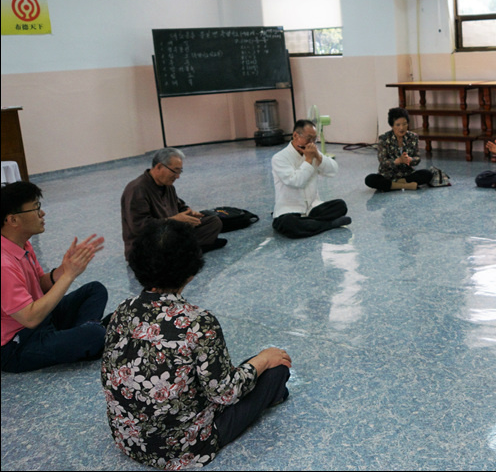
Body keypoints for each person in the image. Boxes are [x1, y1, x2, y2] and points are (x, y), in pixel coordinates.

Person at [102, 220, 291, 469]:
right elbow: (225, 393)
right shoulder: (198, 321)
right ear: (191, 272)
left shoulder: (122, 309)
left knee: (244, 368)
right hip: (186, 449)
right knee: (275, 369)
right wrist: (264, 359)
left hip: (128, 440)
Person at [1, 181, 107, 372]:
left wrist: (62, 270)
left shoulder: (23, 243)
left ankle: (86, 336)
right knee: (94, 334)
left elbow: (39, 285)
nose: (42, 214)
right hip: (18, 344)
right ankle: (90, 336)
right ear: (13, 220)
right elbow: (30, 318)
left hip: (43, 320)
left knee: (95, 290)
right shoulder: (3, 264)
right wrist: (69, 276)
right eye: (36, 208)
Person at [121, 147, 225, 260]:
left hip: (171, 233)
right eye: (175, 171)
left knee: (213, 222)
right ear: (159, 167)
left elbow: (180, 206)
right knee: (167, 243)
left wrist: (189, 213)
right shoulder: (137, 189)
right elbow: (140, 228)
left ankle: (188, 249)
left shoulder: (168, 186)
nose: (178, 176)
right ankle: (193, 248)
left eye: (180, 171)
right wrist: (174, 220)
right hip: (149, 244)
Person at [272, 119, 351, 238]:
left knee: (340, 205)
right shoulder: (279, 158)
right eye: (308, 138)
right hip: (290, 210)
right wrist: (308, 160)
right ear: (295, 135)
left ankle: (310, 224)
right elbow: (296, 181)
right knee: (289, 224)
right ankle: (329, 224)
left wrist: (318, 156)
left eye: (314, 139)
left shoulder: (312, 152)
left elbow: (333, 171)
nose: (311, 143)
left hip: (312, 208)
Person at [365, 107, 433, 192]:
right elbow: (383, 162)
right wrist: (398, 161)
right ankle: (405, 186)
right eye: (398, 125)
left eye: (404, 124)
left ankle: (394, 185)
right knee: (370, 179)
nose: (402, 128)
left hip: (407, 174)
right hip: (388, 176)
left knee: (427, 174)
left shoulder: (413, 137)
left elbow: (417, 158)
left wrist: (410, 159)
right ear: (392, 126)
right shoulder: (384, 139)